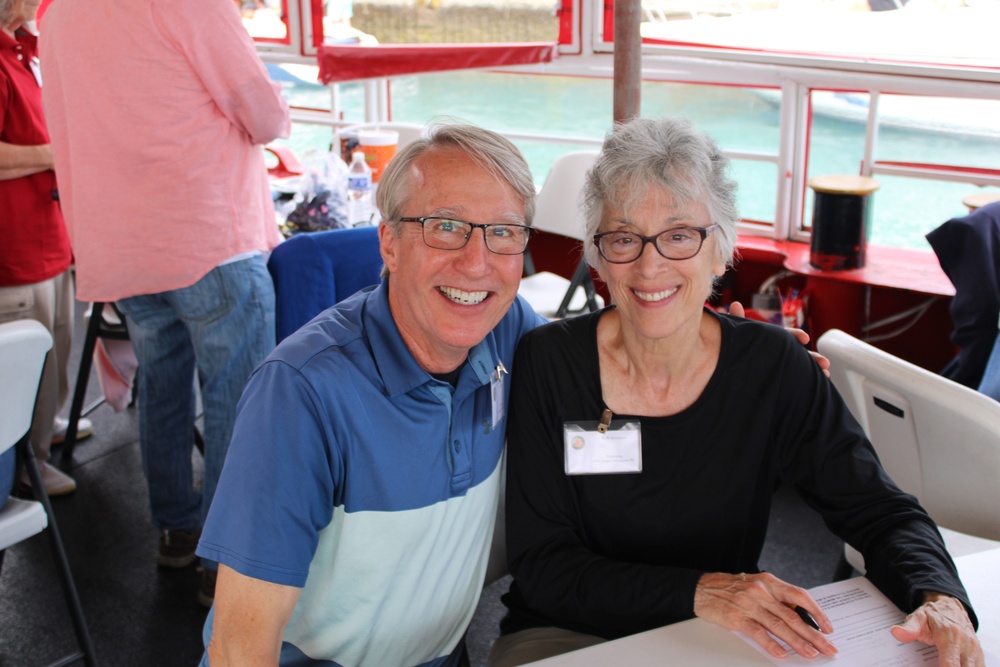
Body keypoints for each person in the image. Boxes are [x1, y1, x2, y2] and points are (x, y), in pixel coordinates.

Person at [492, 116, 984, 667]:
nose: (650, 265)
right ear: (599, 256)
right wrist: (699, 590)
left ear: (720, 251)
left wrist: (939, 597)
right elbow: (543, 565)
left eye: (680, 235)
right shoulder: (550, 362)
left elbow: (879, 510)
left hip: (719, 638)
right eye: (625, 238)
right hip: (568, 635)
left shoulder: (772, 366)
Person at [196, 122, 546, 666]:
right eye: (445, 226)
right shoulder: (300, 395)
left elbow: (613, 367)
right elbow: (241, 647)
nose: (477, 263)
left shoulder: (507, 327)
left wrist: (722, 349)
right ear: (390, 243)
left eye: (502, 231)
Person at [39, 0, 290, 606]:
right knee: (238, 396)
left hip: (119, 241)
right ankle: (223, 560)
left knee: (163, 385)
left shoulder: (60, 16)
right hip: (205, 234)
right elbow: (263, 116)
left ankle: (178, 530)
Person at [0, 0, 88, 497]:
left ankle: (42, 434)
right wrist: (53, 153)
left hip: (50, 237)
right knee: (27, 360)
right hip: (13, 249)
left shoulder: (25, 50)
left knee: (55, 348)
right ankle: (23, 466)